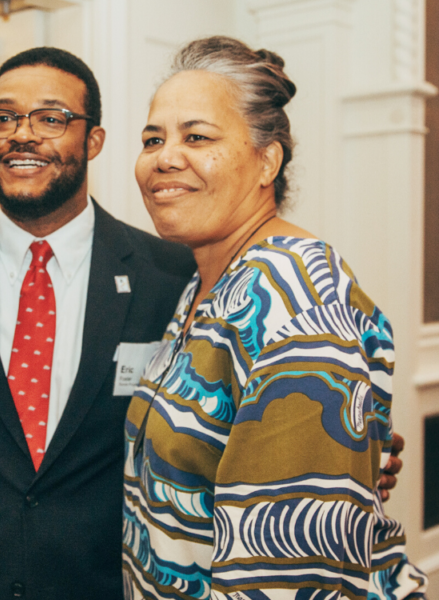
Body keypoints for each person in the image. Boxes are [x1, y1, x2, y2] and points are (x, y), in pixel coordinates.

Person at [122, 36, 427, 599]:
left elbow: (288, 577)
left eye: (197, 136)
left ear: (268, 160)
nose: (165, 156)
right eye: (152, 138)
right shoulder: (204, 285)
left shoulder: (293, 298)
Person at [0, 48, 196, 599]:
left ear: (94, 141)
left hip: (103, 583)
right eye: (4, 117)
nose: (23, 134)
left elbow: (215, 409)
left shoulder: (169, 275)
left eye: (51, 118)